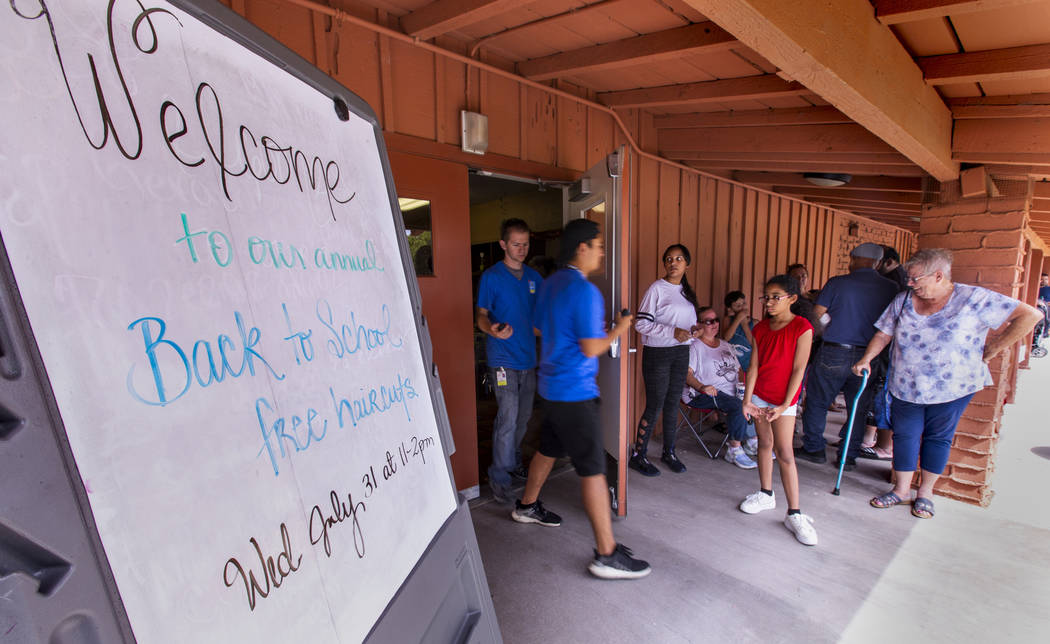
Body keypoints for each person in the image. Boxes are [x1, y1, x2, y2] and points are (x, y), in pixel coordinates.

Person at [853, 248, 1041, 520]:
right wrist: (867, 359)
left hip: (953, 388)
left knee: (937, 438)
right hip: (906, 384)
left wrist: (994, 349)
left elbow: (1030, 316)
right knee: (904, 435)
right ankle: (901, 489)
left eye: (916, 279)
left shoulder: (973, 298)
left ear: (939, 275)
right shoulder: (903, 300)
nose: (909, 283)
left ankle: (925, 493)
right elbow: (884, 333)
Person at [512, 218, 650, 579]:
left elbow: (541, 327)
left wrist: (577, 335)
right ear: (582, 248)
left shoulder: (551, 283)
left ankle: (526, 506)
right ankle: (607, 554)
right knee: (593, 469)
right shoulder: (586, 292)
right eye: (599, 245)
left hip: (551, 387)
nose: (602, 252)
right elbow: (591, 348)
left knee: (548, 448)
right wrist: (618, 329)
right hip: (575, 392)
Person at [796, 243, 899, 470]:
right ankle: (849, 455)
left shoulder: (838, 283)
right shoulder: (891, 288)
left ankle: (814, 448)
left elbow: (817, 315)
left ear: (852, 259)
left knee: (818, 400)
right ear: (878, 263)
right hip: (869, 355)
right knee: (858, 406)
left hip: (835, 349)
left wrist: (822, 331)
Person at [739, 275, 817, 546]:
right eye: (766, 297)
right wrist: (747, 400)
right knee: (764, 444)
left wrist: (785, 405)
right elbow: (754, 367)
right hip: (760, 397)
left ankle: (794, 513)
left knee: (784, 452)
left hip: (784, 401)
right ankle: (766, 494)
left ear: (792, 299)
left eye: (776, 297)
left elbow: (799, 369)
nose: (769, 302)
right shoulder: (761, 328)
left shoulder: (802, 327)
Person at [476, 219, 543, 503]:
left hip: (529, 358)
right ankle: (499, 476)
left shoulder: (534, 278)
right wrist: (491, 328)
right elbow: (480, 315)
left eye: (526, 243)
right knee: (508, 418)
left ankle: (513, 462)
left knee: (524, 418)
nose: (522, 249)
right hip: (502, 360)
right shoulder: (491, 277)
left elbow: (540, 318)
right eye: (516, 244)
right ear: (503, 244)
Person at [629, 244, 700, 476]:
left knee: (672, 404)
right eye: (669, 259)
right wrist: (672, 332)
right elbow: (640, 324)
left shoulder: (687, 293)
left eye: (679, 259)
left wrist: (694, 330)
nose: (673, 263)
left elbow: (685, 324)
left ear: (687, 264)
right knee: (655, 404)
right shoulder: (656, 289)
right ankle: (638, 455)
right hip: (658, 354)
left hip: (681, 353)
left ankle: (669, 452)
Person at [682, 306, 757, 469]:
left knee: (755, 397)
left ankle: (752, 441)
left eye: (715, 320)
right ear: (698, 324)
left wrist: (744, 388)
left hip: (731, 392)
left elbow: (738, 371)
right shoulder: (694, 346)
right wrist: (702, 386)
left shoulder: (725, 344)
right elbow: (686, 375)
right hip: (702, 393)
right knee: (738, 406)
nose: (714, 324)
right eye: (709, 321)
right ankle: (735, 449)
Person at [722, 291, 754, 372]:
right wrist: (738, 319)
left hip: (748, 364)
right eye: (737, 305)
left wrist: (744, 324)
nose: (742, 307)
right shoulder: (728, 320)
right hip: (732, 365)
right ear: (730, 308)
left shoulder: (754, 322)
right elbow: (726, 338)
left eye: (743, 303)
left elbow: (753, 343)